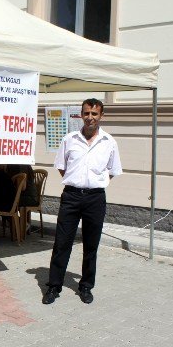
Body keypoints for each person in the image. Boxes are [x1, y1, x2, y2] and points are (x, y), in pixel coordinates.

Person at [43, 98, 122, 306]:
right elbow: (62, 166)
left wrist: (95, 183)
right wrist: (77, 181)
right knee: (62, 242)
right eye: (86, 113)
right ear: (81, 114)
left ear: (101, 116)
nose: (90, 118)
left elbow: (113, 171)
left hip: (95, 198)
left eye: (94, 114)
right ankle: (54, 286)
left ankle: (86, 286)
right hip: (71, 196)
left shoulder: (109, 142)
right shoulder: (70, 139)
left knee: (91, 244)